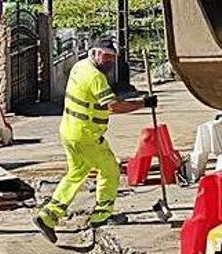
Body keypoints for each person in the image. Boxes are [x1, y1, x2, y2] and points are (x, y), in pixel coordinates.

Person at [34, 38, 156, 243]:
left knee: (76, 173)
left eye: (112, 58)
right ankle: (102, 216)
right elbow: (113, 106)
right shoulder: (95, 77)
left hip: (70, 131)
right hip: (86, 136)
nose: (109, 61)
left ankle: (48, 216)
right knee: (110, 169)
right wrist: (143, 103)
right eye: (106, 56)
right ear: (94, 53)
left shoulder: (79, 66)